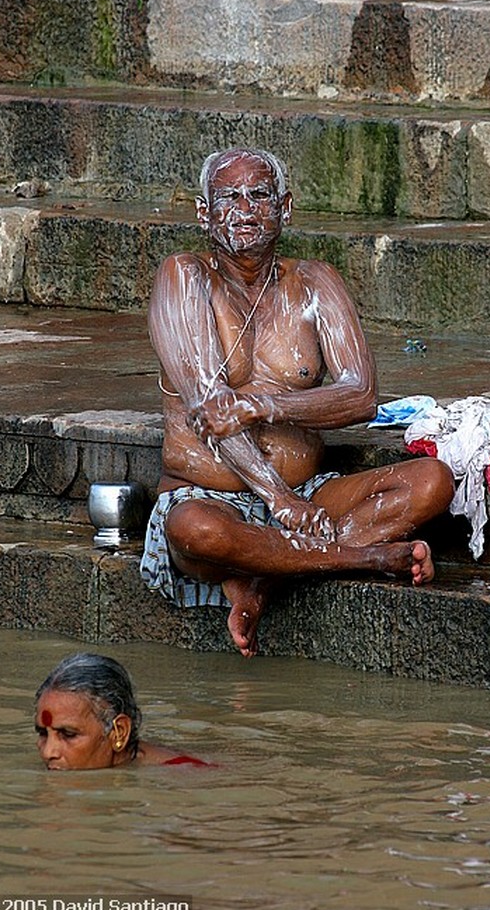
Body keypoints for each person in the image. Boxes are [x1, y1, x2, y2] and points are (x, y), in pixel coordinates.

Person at [140, 147, 455, 658]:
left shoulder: (315, 282)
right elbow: (208, 406)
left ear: (285, 207)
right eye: (228, 197)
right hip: (210, 497)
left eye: (259, 195)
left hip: (308, 495)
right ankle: (364, 558)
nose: (244, 209)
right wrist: (277, 499)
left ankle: (266, 583)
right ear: (204, 213)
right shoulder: (183, 277)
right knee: (194, 531)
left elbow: (361, 395)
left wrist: (264, 405)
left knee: (432, 481)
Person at [34, 653, 211, 771]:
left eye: (68, 734)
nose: (48, 752)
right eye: (43, 734)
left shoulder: (185, 775)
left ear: (119, 732)